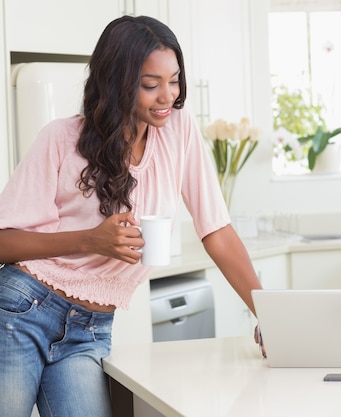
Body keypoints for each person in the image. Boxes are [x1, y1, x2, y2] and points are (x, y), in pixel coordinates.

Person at [0, 15, 264, 417]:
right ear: (117, 82)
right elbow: (4, 241)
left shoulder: (179, 132)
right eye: (150, 84)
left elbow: (217, 230)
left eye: (174, 80)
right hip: (22, 310)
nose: (167, 97)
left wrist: (269, 314)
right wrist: (90, 239)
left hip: (90, 330)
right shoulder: (60, 138)